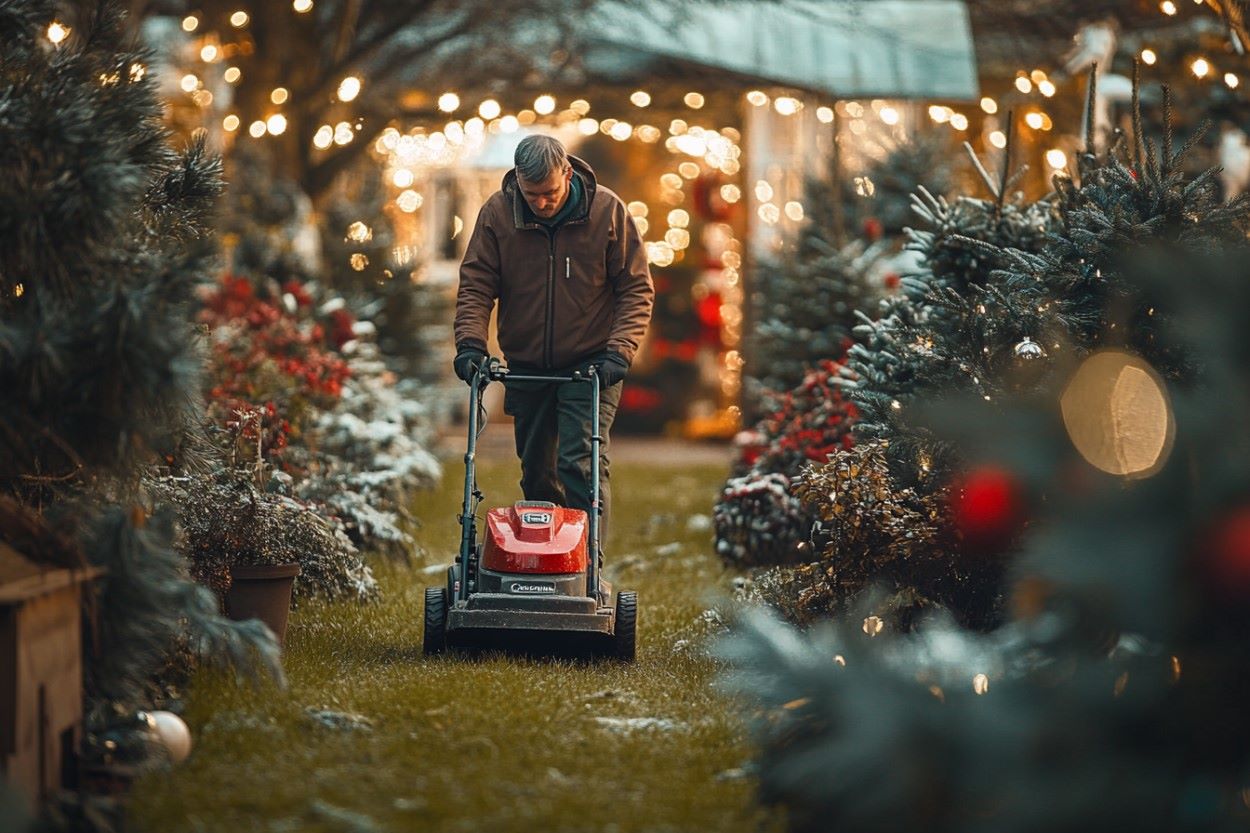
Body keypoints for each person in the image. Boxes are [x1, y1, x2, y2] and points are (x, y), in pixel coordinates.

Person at [453, 135, 654, 545]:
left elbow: (635, 288)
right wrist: (471, 344)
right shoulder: (497, 214)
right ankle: (546, 562)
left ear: (567, 173)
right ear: (518, 184)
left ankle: (585, 567)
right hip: (526, 365)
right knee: (537, 472)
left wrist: (620, 350)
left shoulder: (606, 211)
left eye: (549, 193)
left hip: (592, 365)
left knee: (580, 465)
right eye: (532, 195)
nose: (541, 203)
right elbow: (476, 285)